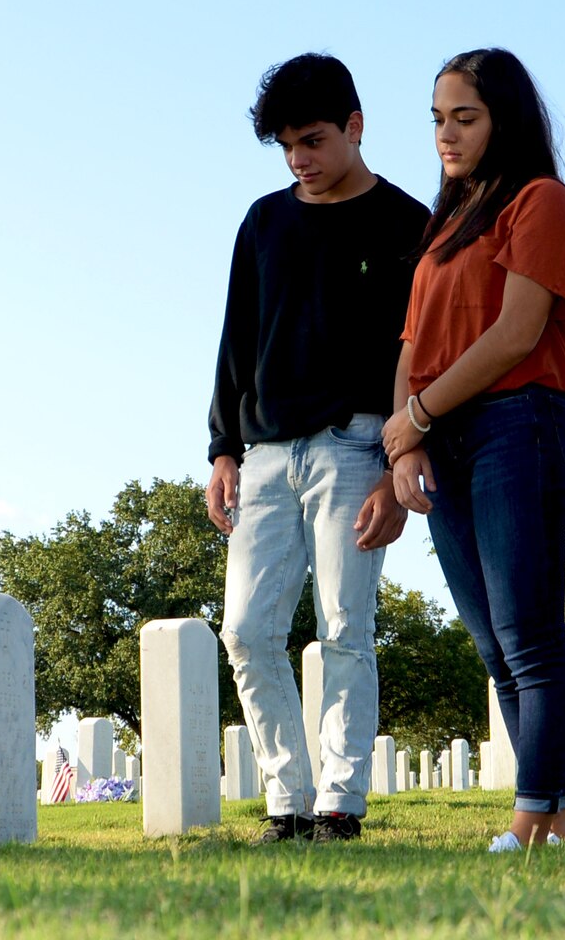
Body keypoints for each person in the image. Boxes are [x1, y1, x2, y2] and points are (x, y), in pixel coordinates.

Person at [207, 52, 431, 844]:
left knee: (345, 627)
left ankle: (339, 805)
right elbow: (236, 338)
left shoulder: (410, 224)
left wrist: (398, 468)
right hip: (264, 453)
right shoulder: (264, 221)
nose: (299, 159)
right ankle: (286, 801)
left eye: (311, 140)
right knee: (245, 632)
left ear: (355, 127)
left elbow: (423, 351)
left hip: (356, 446)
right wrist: (221, 449)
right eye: (286, 147)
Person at [382, 48, 565, 851]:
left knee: (530, 637)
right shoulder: (443, 224)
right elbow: (412, 343)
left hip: (517, 424)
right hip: (442, 439)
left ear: (504, 119)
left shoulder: (540, 201)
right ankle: (563, 826)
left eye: (464, 117)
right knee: (492, 646)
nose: (446, 133)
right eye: (437, 118)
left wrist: (419, 415)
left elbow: (516, 333)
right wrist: (404, 443)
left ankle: (527, 822)